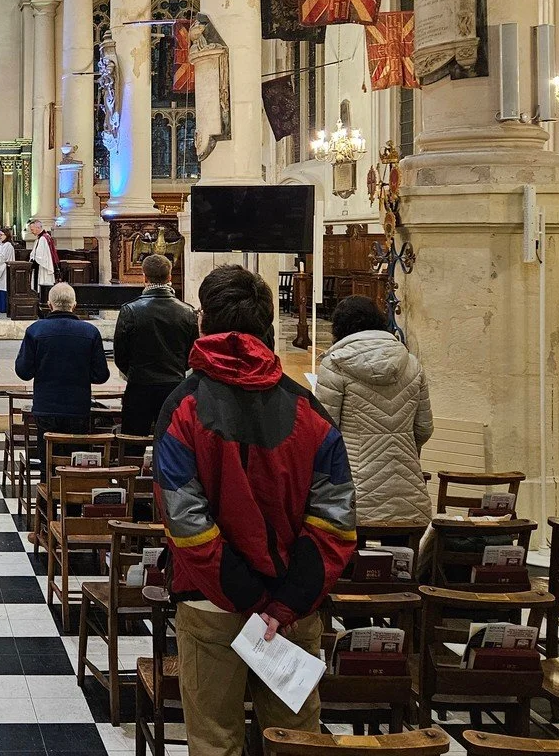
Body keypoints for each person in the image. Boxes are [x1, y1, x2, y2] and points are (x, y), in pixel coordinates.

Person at [154, 265, 356, 756]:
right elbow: (336, 519)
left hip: (212, 605)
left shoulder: (182, 407)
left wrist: (248, 600)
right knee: (296, 744)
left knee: (215, 742)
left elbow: (185, 520)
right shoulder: (308, 409)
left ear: (204, 325)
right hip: (290, 610)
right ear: (268, 328)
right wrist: (281, 603)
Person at [315, 295, 433, 523]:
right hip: (407, 487)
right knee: (402, 555)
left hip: (353, 489)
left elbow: (325, 431)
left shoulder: (335, 365)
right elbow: (424, 428)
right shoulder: (412, 364)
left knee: (356, 556)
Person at [14, 283, 109, 452]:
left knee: (48, 460)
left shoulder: (35, 330)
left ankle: (46, 477)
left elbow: (23, 371)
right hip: (78, 407)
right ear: (74, 305)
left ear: (49, 305)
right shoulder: (90, 332)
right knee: (76, 461)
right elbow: (101, 375)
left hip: (46, 407)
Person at [113, 253, 197, 435]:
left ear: (144, 276)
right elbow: (192, 355)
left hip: (139, 386)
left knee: (133, 443)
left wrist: (134, 372)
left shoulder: (130, 310)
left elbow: (120, 354)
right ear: (169, 277)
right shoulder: (188, 312)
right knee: (171, 442)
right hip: (174, 386)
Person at [26, 218, 58, 304]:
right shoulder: (41, 238)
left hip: (42, 267)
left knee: (41, 285)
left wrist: (33, 259)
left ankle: (42, 303)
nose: (31, 231)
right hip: (39, 266)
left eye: (32, 229)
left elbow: (40, 256)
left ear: (38, 227)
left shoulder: (43, 239)